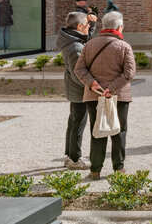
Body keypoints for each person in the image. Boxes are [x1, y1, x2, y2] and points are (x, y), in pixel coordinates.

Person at [73, 11, 135, 180]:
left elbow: (79, 69)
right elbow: (129, 72)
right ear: (119, 27)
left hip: (95, 95)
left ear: (104, 26)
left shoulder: (89, 45)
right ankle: (118, 168)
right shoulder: (124, 46)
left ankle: (95, 170)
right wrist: (112, 88)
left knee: (97, 131)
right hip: (119, 95)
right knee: (119, 131)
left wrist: (92, 83)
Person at [56, 11, 91, 170]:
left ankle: (70, 155)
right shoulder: (75, 47)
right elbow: (79, 74)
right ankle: (75, 158)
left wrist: (92, 24)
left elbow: (86, 38)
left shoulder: (71, 39)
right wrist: (90, 86)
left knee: (74, 122)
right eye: (87, 24)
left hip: (74, 88)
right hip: (78, 90)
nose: (89, 26)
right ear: (79, 26)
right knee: (78, 124)